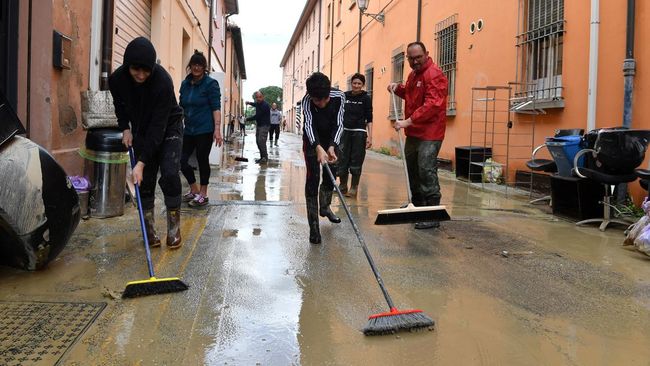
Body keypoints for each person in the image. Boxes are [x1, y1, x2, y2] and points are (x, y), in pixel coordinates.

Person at [109, 37, 184, 248]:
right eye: (136, 70)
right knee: (145, 181)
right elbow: (120, 106)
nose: (141, 75)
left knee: (169, 173)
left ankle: (173, 228)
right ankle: (149, 229)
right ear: (127, 65)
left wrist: (140, 163)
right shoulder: (117, 80)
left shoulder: (162, 81)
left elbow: (158, 128)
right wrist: (125, 128)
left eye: (146, 71)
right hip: (141, 126)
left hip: (169, 125)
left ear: (153, 68)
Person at [387, 41, 448, 230]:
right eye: (411, 58)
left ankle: (433, 213)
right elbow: (411, 95)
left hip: (430, 132)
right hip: (414, 132)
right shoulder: (413, 75)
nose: (415, 61)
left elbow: (432, 105)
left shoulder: (434, 74)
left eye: (418, 57)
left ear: (426, 54)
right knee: (411, 168)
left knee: (425, 169)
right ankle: (418, 206)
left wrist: (408, 121)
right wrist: (397, 88)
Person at [301, 72, 345, 244]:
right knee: (312, 180)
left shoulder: (339, 96)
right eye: (317, 101)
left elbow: (340, 123)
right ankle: (314, 227)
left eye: (324, 99)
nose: (322, 103)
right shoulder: (306, 100)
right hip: (312, 140)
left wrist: (332, 145)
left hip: (332, 139)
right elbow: (309, 124)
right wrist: (317, 147)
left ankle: (325, 207)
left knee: (331, 176)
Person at [178, 50, 223, 208]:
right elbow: (181, 107)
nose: (196, 67)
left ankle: (203, 194)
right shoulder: (185, 84)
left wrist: (217, 129)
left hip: (205, 129)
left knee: (203, 160)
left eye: (200, 65)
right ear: (190, 66)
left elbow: (216, 108)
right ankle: (194, 189)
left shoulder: (210, 84)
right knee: (182, 160)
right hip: (189, 129)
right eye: (194, 64)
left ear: (204, 67)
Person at [338, 73, 373, 198]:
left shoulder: (366, 98)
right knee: (342, 158)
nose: (356, 85)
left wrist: (370, 136)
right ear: (351, 83)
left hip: (359, 132)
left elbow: (369, 118)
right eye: (354, 83)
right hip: (345, 131)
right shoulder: (344, 96)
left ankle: (353, 187)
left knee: (356, 159)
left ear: (363, 85)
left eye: (359, 83)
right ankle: (342, 186)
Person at [245, 91, 271, 163]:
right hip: (259, 125)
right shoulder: (258, 104)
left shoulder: (264, 105)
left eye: (260, 97)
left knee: (261, 142)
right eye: (257, 97)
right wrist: (249, 103)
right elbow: (255, 104)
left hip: (264, 126)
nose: (258, 99)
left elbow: (257, 116)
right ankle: (262, 157)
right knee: (258, 142)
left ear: (263, 97)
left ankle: (264, 158)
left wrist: (247, 119)